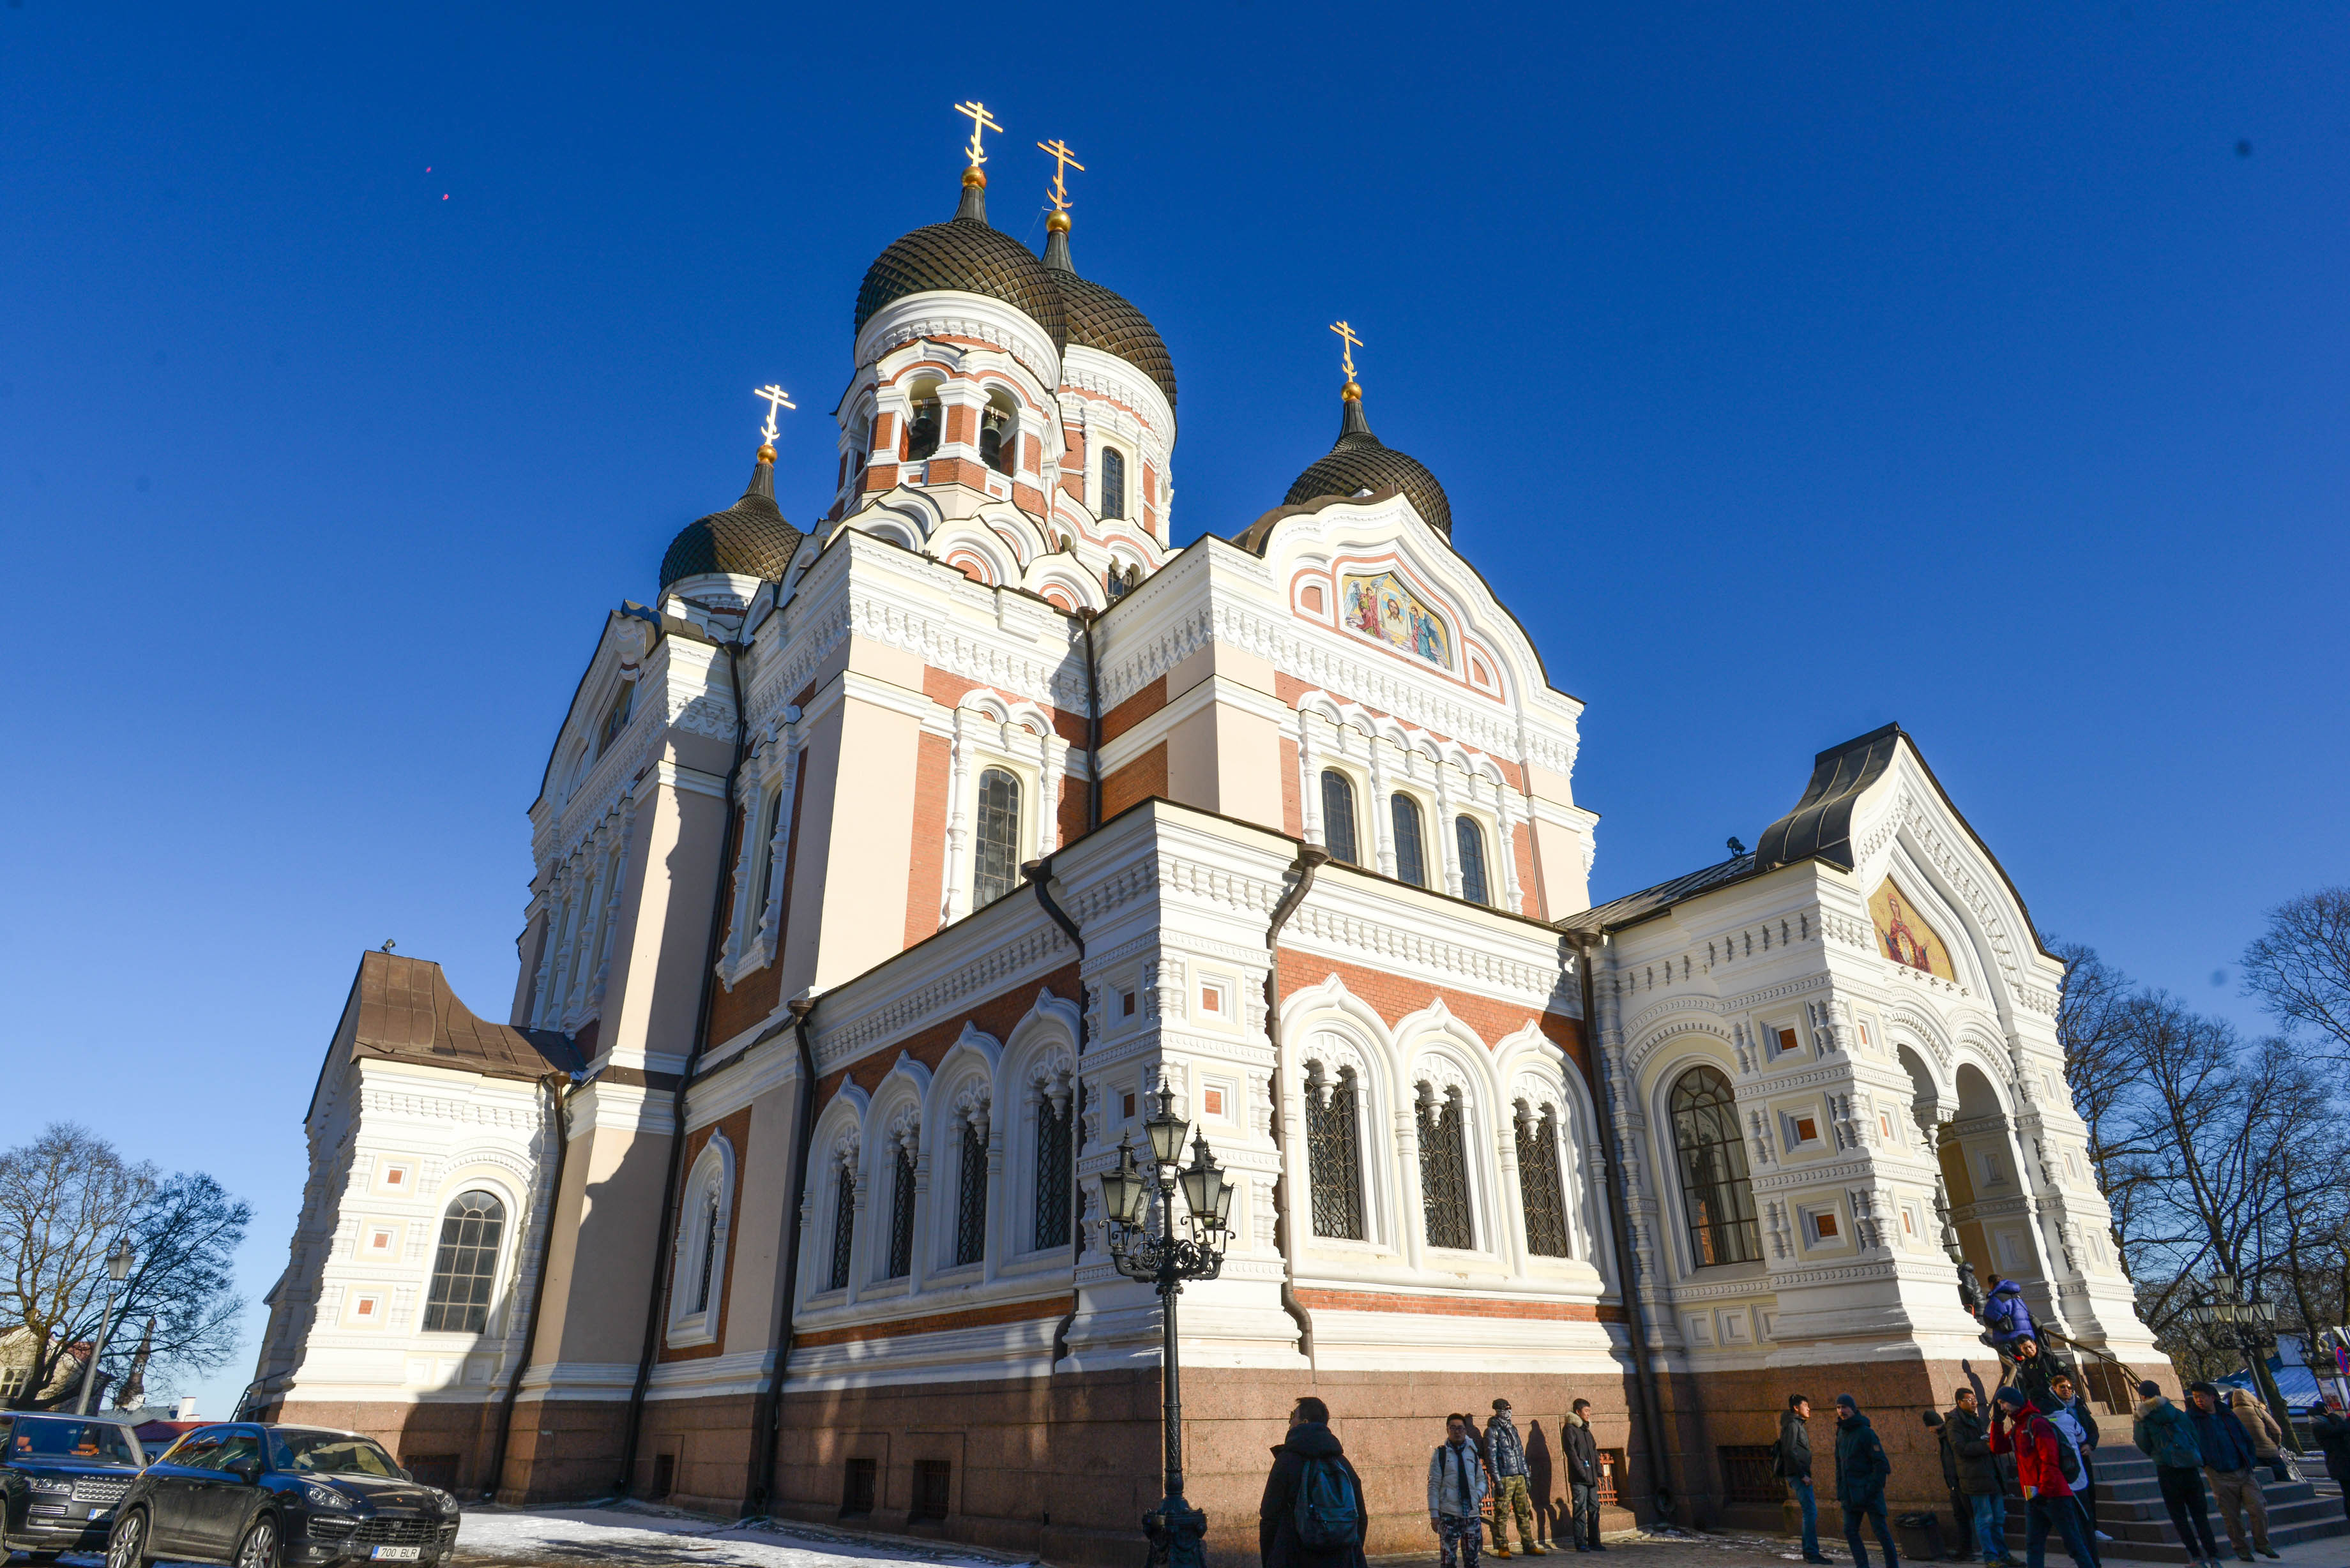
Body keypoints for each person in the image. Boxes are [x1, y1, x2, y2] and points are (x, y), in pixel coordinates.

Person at [1989, 1387, 2096, 1568]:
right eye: (1999, 1405)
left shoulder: (2036, 1423)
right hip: (2034, 1497)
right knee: (2033, 1545)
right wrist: (1997, 1422)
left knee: (2074, 1545)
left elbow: (2050, 1460)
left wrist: (2044, 1492)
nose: (2002, 1408)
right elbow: (1998, 1447)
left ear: (2014, 1401)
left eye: (2003, 1404)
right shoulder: (2019, 1426)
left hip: (2054, 1495)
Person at [1260, 1397, 1370, 1568]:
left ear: (1304, 1422)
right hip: (1341, 1559)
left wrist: (1270, 1560)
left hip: (1296, 1557)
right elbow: (1361, 1517)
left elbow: (1269, 1517)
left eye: (1293, 1416)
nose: (1290, 1422)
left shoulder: (1286, 1461)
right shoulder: (1342, 1462)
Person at [2134, 1379, 2220, 1568]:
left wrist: (2158, 1454)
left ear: (2143, 1396)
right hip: (2189, 1468)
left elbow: (2142, 1443)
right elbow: (2194, 1436)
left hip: (2167, 1470)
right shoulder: (2177, 1413)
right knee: (2200, 1515)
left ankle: (2196, 1557)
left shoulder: (2143, 1418)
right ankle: (2214, 1556)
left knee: (2179, 1516)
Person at [2184, 1382, 2276, 1562]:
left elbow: (2245, 1436)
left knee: (2258, 1507)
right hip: (2219, 1472)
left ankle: (2262, 1542)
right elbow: (2191, 1442)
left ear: (2212, 1397)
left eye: (2202, 1396)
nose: (2199, 1400)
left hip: (2243, 1468)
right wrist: (2205, 1461)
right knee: (2231, 1515)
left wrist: (2249, 1458)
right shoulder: (2193, 1419)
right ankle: (2241, 1548)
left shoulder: (2227, 1414)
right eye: (2196, 1397)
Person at [1947, 1388, 2014, 1566]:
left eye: (1974, 1399)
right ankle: (1991, 1557)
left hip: (1991, 1476)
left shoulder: (1976, 1419)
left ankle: (2004, 1554)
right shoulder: (1955, 1423)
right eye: (1969, 1400)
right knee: (1985, 1520)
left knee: (1998, 1519)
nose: (1974, 1403)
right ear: (1959, 1402)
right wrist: (1986, 1446)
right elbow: (1960, 1448)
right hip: (1974, 1479)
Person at [1833, 1394, 1901, 1568]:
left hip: (1869, 1493)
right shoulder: (1841, 1432)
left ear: (1854, 1408)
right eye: (1839, 1407)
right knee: (1850, 1530)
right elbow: (1839, 1463)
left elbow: (1881, 1464)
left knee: (1881, 1533)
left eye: (1845, 1407)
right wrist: (1841, 1490)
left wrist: (1871, 1488)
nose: (1842, 1411)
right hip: (1849, 1493)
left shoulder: (1866, 1433)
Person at [2041, 1371, 2107, 1548]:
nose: (2067, 1390)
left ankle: (2092, 1528)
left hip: (2082, 1454)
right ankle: (2077, 1532)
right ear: (2054, 1389)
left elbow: (2092, 1428)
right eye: (2062, 1387)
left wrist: (2090, 1445)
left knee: (2088, 1492)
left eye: (2069, 1387)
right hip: (2063, 1460)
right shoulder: (2051, 1409)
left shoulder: (2079, 1404)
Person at [1482, 1399, 1544, 1557]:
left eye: (1510, 1408)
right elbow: (1491, 1458)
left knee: (1523, 1511)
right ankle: (1503, 1546)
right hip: (1505, 1477)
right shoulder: (1492, 1430)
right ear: (1497, 1410)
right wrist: (1497, 1480)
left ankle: (1529, 1544)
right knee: (1502, 1513)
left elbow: (1520, 1453)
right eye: (1505, 1409)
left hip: (1519, 1476)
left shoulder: (1513, 1428)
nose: (1508, 1411)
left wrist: (1526, 1475)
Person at [1430, 1413, 1492, 1568]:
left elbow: (1481, 1479)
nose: (1457, 1431)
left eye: (1460, 1428)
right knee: (1448, 1562)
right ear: (1447, 1430)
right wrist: (1434, 1513)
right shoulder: (1441, 1454)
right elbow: (1433, 1485)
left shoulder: (1472, 1451)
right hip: (1449, 1516)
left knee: (1472, 1562)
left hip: (1471, 1515)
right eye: (1453, 1428)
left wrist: (1476, 1496)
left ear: (1465, 1430)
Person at [1774, 1394, 1828, 1564]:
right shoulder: (1792, 1425)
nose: (1809, 1408)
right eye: (1805, 1405)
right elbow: (1789, 1451)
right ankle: (1811, 1553)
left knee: (1810, 1512)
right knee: (1810, 1512)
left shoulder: (1796, 1423)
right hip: (1799, 1475)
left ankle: (1810, 1552)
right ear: (1796, 1408)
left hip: (1801, 1474)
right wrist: (1802, 1474)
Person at [1925, 1410, 1975, 1560]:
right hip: (1957, 1482)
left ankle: (1967, 1550)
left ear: (1931, 1427)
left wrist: (1954, 1482)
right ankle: (1966, 1549)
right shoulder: (1947, 1435)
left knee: (1964, 1516)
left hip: (1959, 1482)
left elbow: (1952, 1462)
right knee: (1963, 1516)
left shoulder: (1947, 1436)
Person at [1563, 1399, 1603, 1553]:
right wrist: (1581, 1471)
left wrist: (1598, 1470)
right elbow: (1571, 1453)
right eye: (1586, 1411)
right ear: (1578, 1412)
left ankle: (1595, 1541)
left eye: (1589, 1411)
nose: (1589, 1414)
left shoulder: (1587, 1430)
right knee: (1580, 1510)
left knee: (1595, 1508)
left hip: (1592, 1478)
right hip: (1579, 1478)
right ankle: (1581, 1542)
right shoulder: (1570, 1429)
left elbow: (1594, 1450)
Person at [2225, 1390, 2289, 1485]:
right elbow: (2276, 1430)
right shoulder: (2258, 1411)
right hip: (2270, 1451)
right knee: (2283, 1478)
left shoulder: (2231, 1415)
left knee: (2263, 1481)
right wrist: (2275, 1443)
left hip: (2252, 1453)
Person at [2304, 1400, 2349, 1524]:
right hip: (2341, 1464)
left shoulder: (2322, 1425)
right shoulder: (2321, 1426)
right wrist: (2333, 1416)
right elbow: (2343, 1428)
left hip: (2340, 1463)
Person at [2010, 1337, 2076, 1417]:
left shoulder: (2049, 1358)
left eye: (2030, 1346)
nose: (2028, 1350)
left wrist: (2068, 1390)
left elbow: (2069, 1374)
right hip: (2044, 1404)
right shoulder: (2026, 1367)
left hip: (2062, 1399)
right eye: (2025, 1348)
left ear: (2034, 1345)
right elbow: (2029, 1387)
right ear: (2021, 1350)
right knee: (2052, 1423)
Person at [1983, 1277, 2038, 1364]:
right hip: (2027, 1339)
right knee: (2029, 1366)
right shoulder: (2018, 1297)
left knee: (2013, 1366)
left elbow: (1988, 1318)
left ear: (1992, 1284)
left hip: (2008, 1339)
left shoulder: (1997, 1299)